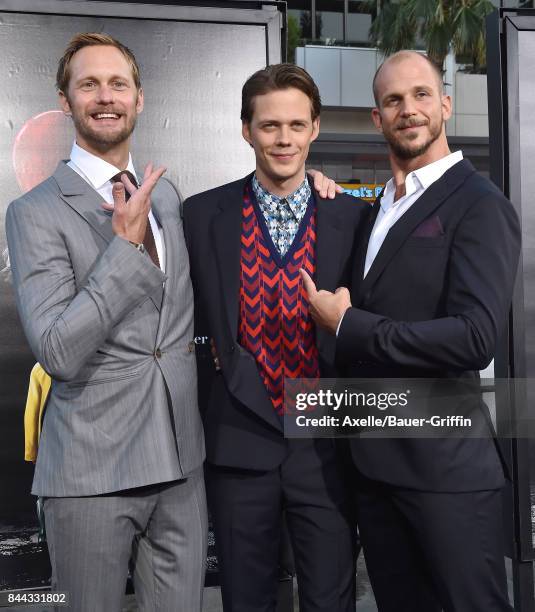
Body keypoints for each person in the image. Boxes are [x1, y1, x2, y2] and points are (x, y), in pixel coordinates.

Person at [302, 50, 521, 612]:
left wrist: (351, 325)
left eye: (421, 94)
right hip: (375, 471)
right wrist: (317, 188)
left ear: (445, 104)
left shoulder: (480, 205)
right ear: (377, 118)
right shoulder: (377, 207)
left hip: (446, 474)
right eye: (393, 100)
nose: (409, 109)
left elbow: (475, 337)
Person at [6, 33, 207, 611]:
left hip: (181, 469)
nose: (105, 96)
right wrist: (123, 248)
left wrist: (318, 189)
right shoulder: (33, 213)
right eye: (88, 84)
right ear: (65, 102)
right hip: (91, 476)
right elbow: (58, 353)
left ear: (139, 98)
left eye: (118, 83)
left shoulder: (165, 195)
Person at [182, 64, 368, 612]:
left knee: (332, 598)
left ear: (314, 128)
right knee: (246, 598)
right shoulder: (200, 214)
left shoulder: (353, 216)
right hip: (238, 438)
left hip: (326, 445)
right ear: (246, 130)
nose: (283, 139)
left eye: (295, 124)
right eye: (268, 126)